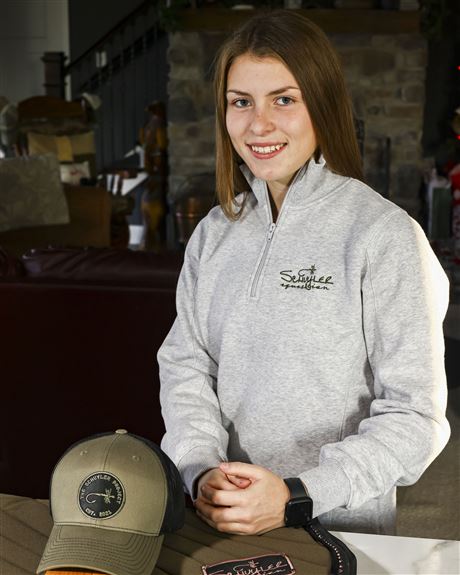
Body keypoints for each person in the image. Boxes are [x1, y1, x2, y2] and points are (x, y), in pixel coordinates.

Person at [158, 10, 450, 537]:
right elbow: (186, 366)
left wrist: (297, 496)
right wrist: (199, 469)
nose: (259, 124)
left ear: (323, 103)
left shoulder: (385, 236)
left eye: (284, 100)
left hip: (337, 531)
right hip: (222, 523)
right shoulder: (213, 233)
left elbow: (416, 419)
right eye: (241, 102)